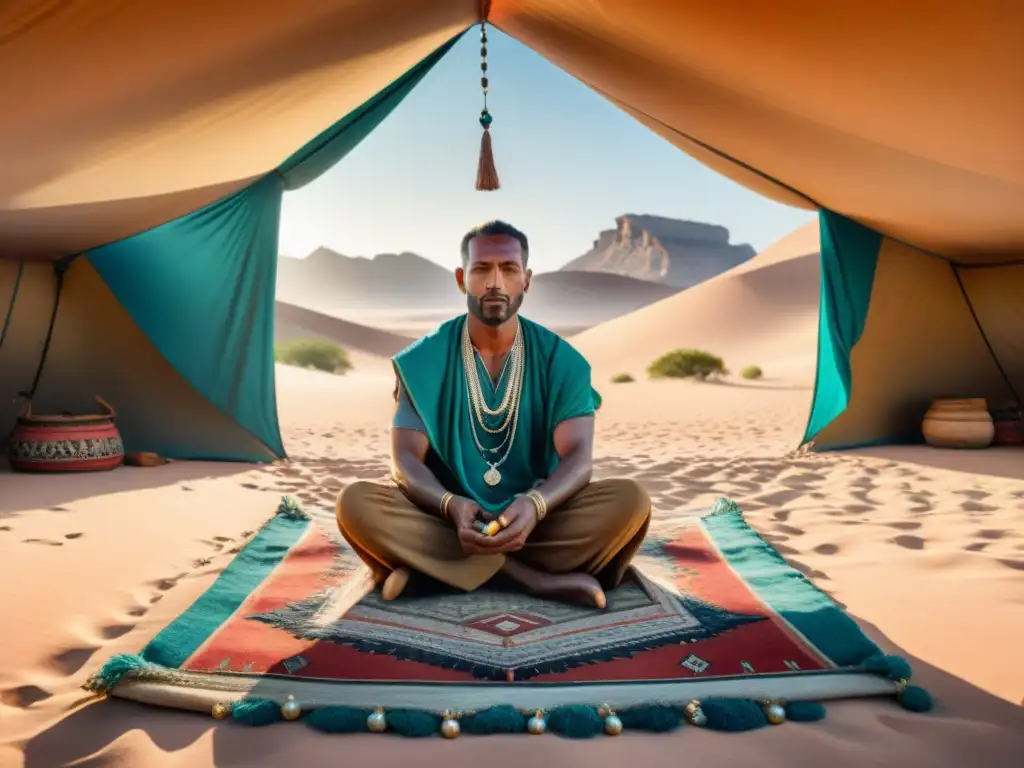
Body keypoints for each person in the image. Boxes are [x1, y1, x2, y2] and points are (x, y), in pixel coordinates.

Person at [336, 221, 651, 608]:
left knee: (631, 501)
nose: (495, 283)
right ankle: (530, 579)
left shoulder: (562, 360)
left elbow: (579, 458)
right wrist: (451, 506)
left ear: (527, 279)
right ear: (461, 279)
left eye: (509, 269)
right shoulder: (425, 359)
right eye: (482, 269)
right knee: (356, 504)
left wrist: (536, 505)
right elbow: (404, 460)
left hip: (537, 522)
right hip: (446, 521)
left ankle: (431, 572)